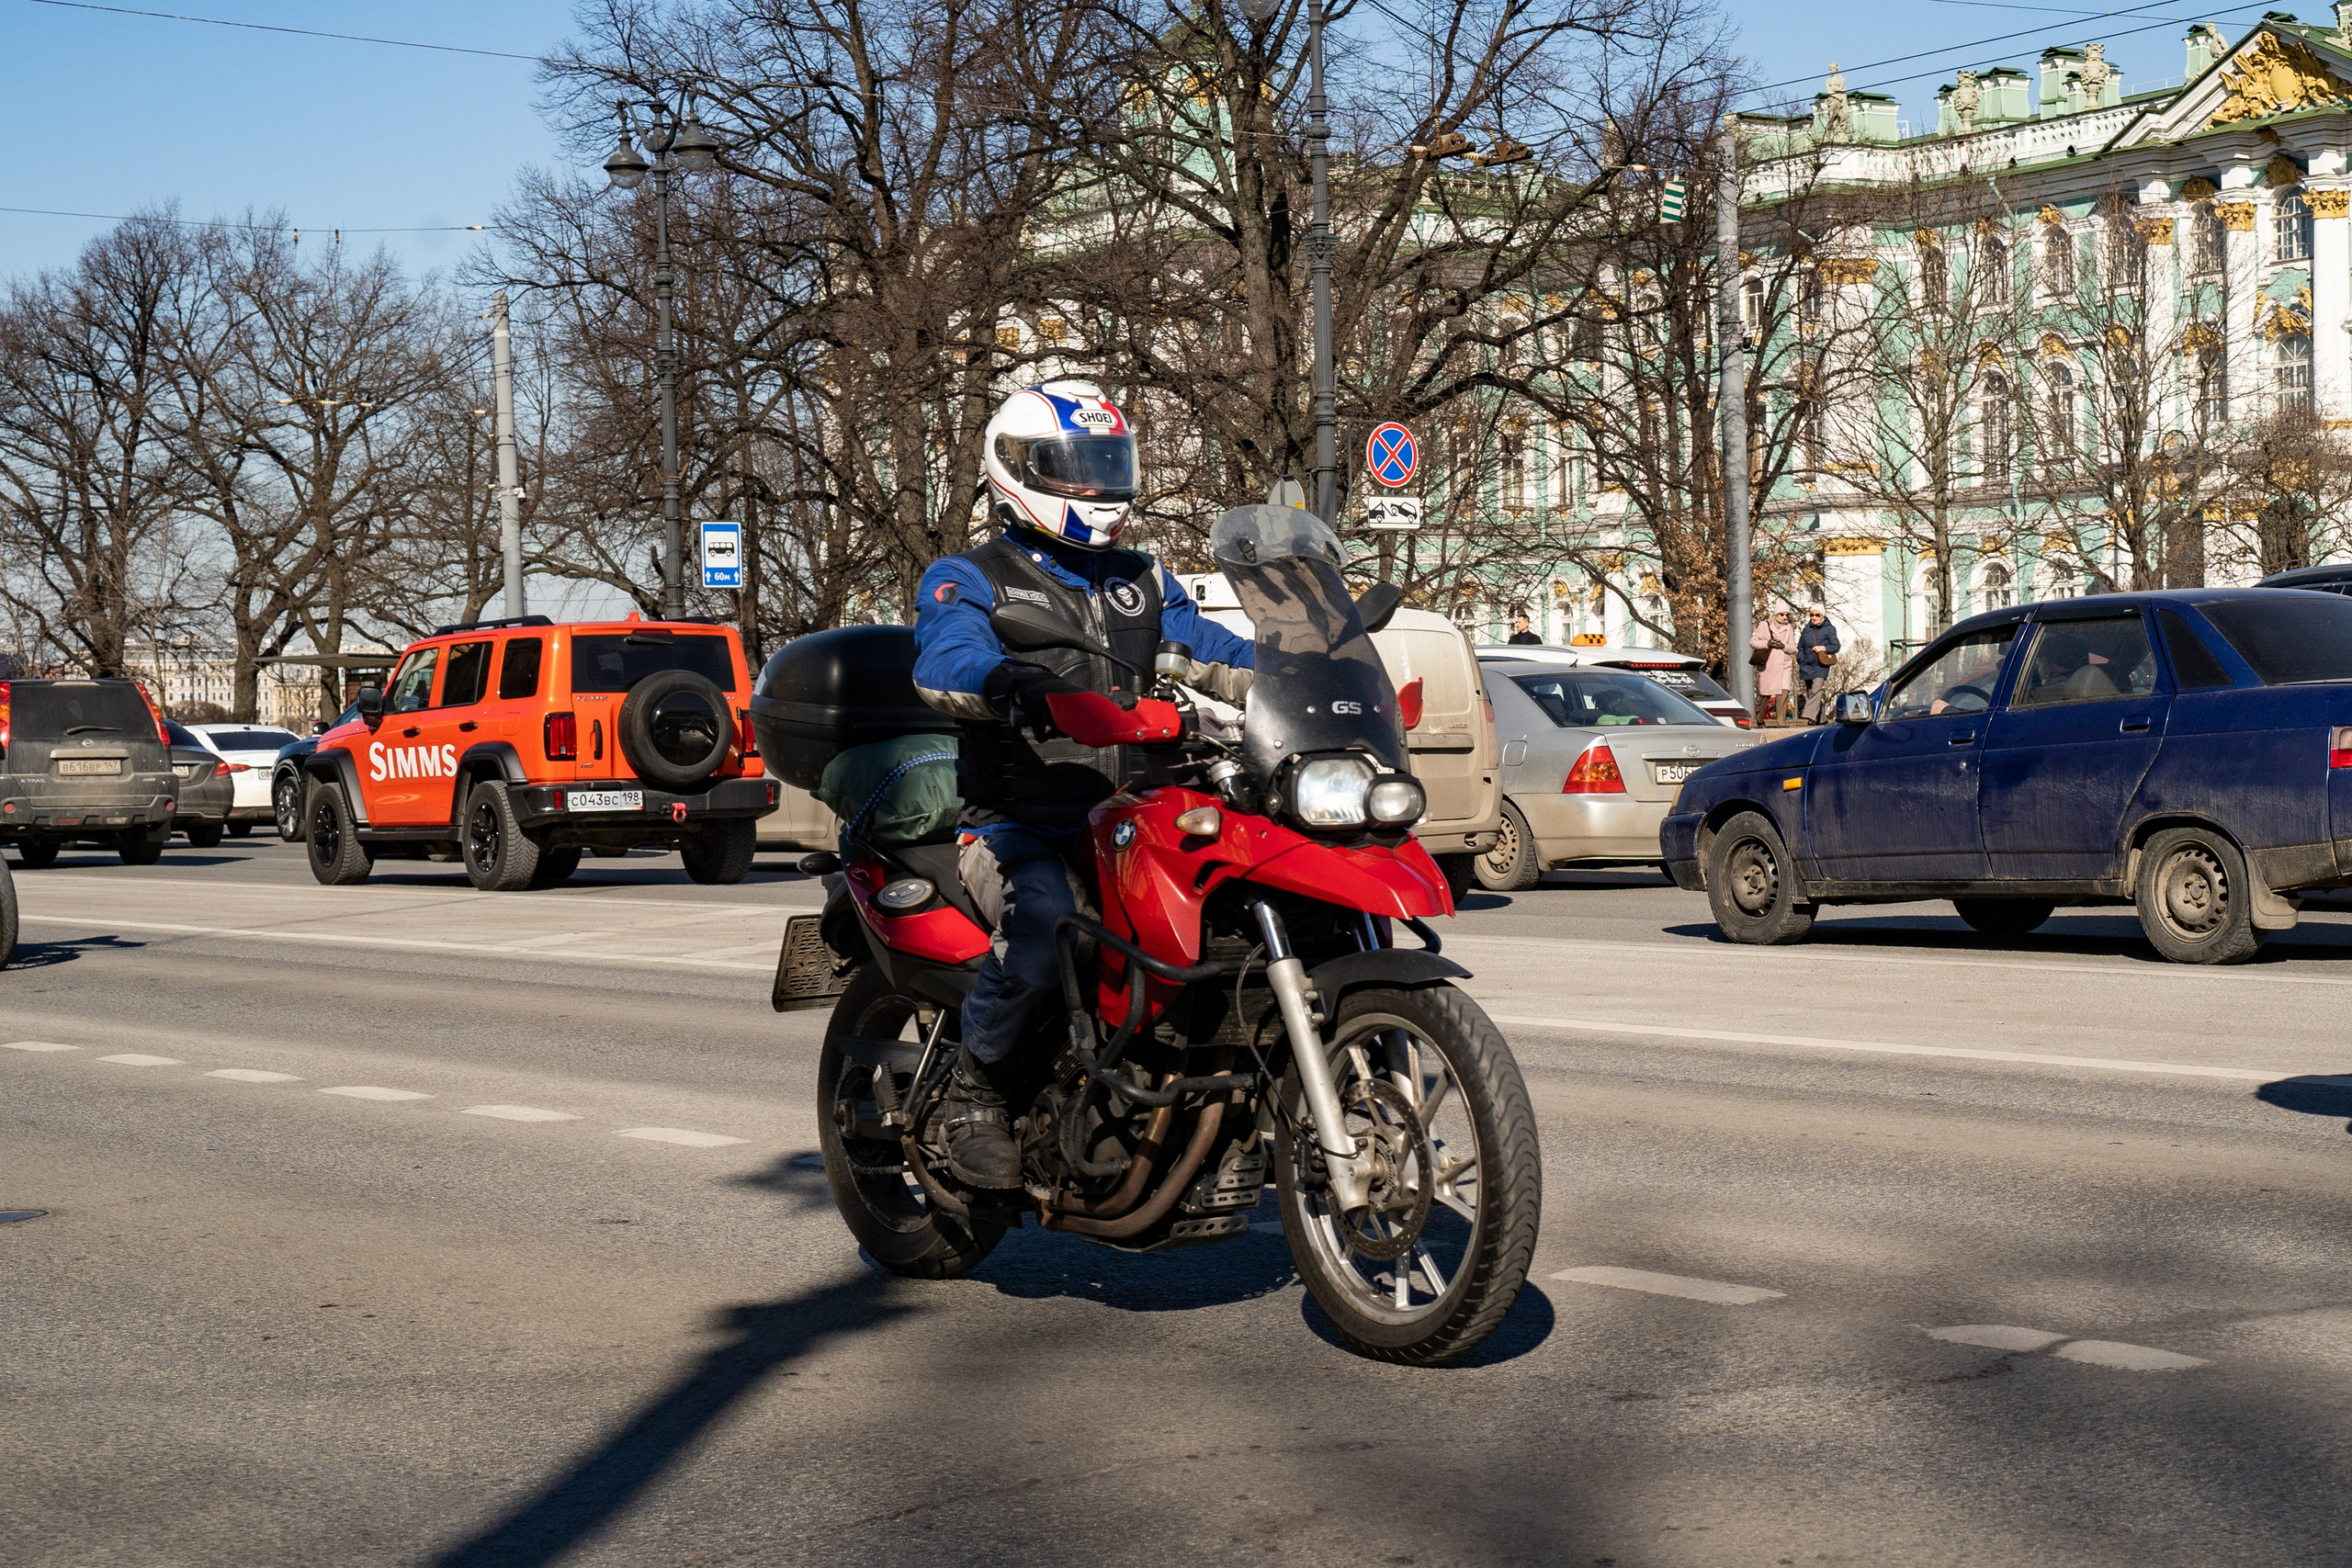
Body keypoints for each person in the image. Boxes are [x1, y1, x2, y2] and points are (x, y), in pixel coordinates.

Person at [910, 379, 1255, 1189]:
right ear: (1016, 469)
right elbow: (942, 660)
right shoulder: (972, 575)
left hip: (1139, 817)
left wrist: (1313, 673)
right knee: (1050, 921)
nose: (1099, 485)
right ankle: (976, 1090)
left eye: (1109, 463)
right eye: (1078, 465)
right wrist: (1010, 683)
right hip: (1020, 822)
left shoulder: (1140, 579)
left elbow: (1216, 651)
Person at [1748, 607, 1800, 723]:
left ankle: (1781, 722)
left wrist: (1784, 646)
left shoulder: (1789, 627)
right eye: (1782, 614)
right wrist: (1767, 643)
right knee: (1765, 694)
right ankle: (1759, 719)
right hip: (1768, 665)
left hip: (1784, 665)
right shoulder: (1764, 625)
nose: (1785, 617)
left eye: (1787, 615)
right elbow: (1753, 642)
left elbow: (1793, 647)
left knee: (1784, 691)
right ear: (1776, 614)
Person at [1794, 605, 1841, 724]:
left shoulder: (1830, 629)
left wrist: (1823, 648)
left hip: (1820, 664)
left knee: (1817, 689)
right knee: (1811, 692)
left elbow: (1836, 646)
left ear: (1823, 616)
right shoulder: (1807, 629)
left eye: (1817, 615)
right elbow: (1800, 646)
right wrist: (1800, 658)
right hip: (1806, 664)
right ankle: (1822, 719)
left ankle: (1810, 717)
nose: (1814, 617)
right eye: (1812, 615)